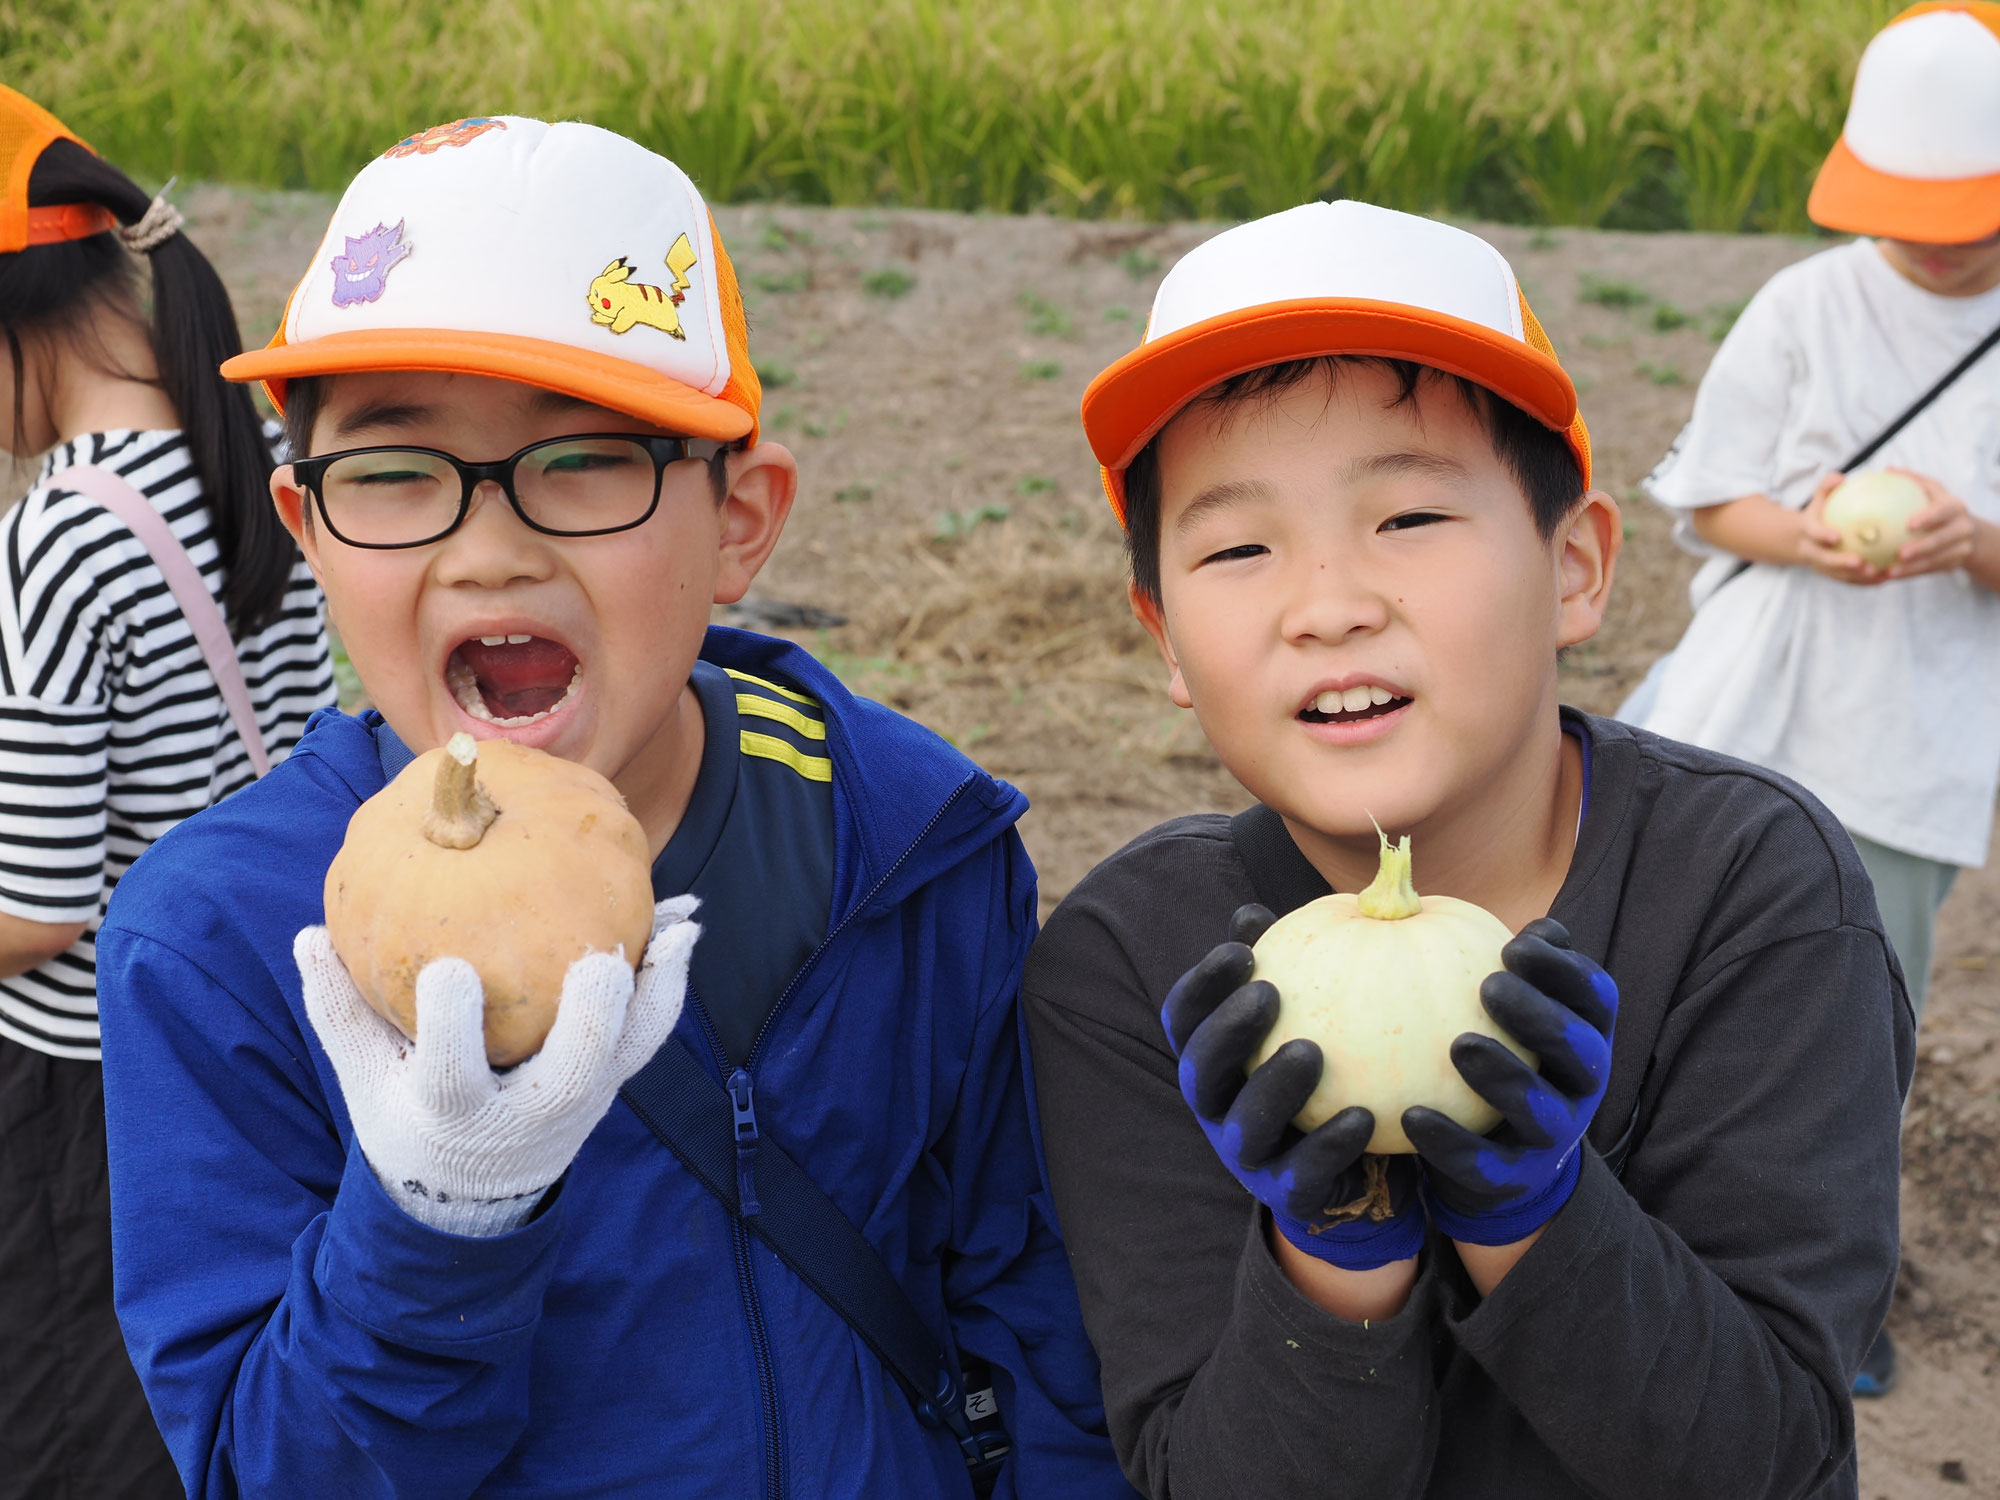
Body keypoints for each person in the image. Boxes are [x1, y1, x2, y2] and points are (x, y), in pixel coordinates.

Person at [93, 116, 1129, 1499]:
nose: (489, 546)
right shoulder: (218, 942)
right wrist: (437, 1224)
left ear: (741, 521)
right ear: (309, 531)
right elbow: (265, 1471)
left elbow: (1028, 1312)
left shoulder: (907, 839)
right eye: (394, 473)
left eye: (584, 460)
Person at [1021, 198, 1911, 1500]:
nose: (1328, 605)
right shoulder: (1132, 965)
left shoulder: (1749, 888)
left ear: (1574, 569)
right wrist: (1334, 1251)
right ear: (1163, 633)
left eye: (1410, 520)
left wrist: (1536, 1211)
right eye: (1238, 546)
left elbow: (1767, 1461)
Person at [1618, 1, 2000, 1396]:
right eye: (1911, 205)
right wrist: (1814, 532)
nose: (1937, 235)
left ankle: (1828, 1286)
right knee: (1673, 960)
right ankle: (1650, 1234)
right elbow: (1710, 498)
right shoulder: (1805, 304)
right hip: (1754, 701)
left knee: (1868, 1010)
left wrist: (1975, 544)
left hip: (1916, 736)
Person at [0, 85, 334, 1497]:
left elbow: (37, 905)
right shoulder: (260, 454)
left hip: (81, 1079)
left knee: (77, 1427)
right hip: (250, 1019)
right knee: (205, 1379)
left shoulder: (63, 535)